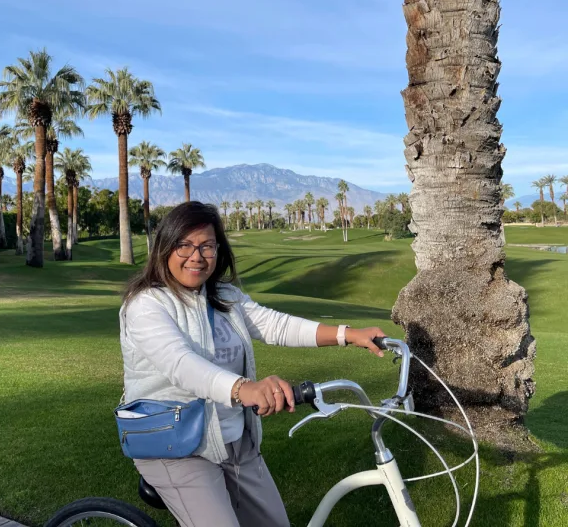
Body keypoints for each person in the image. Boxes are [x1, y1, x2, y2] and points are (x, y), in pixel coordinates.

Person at [119, 201, 387, 527]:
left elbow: (277, 326)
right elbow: (180, 364)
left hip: (235, 442)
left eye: (206, 246)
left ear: (219, 250)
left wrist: (348, 334)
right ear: (165, 249)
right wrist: (245, 388)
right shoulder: (147, 305)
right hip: (176, 448)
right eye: (184, 245)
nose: (196, 256)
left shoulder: (225, 297)